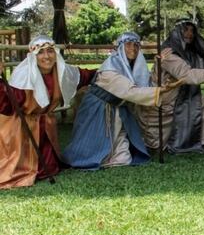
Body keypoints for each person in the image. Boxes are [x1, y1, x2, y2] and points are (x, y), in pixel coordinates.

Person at [63, 32, 170, 169]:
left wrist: (158, 64)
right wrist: (160, 91)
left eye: (136, 45)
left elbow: (146, 83)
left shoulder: (132, 67)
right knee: (91, 146)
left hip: (118, 110)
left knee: (123, 157)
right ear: (120, 48)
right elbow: (130, 91)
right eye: (128, 45)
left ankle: (111, 155)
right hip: (98, 110)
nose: (133, 48)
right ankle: (91, 157)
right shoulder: (110, 68)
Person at [0, 36, 95, 189]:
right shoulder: (23, 77)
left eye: (50, 51)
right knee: (16, 170)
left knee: (50, 167)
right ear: (33, 56)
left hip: (45, 127)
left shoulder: (62, 71)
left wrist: (106, 71)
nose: (47, 56)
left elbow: (85, 76)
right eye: (41, 52)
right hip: (20, 130)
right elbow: (7, 104)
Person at [138, 20, 204, 154]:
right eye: (185, 30)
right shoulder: (168, 53)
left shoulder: (191, 53)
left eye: (192, 31)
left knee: (202, 99)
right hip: (166, 94)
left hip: (183, 91)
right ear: (177, 32)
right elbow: (185, 74)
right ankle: (175, 141)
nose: (189, 33)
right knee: (197, 101)